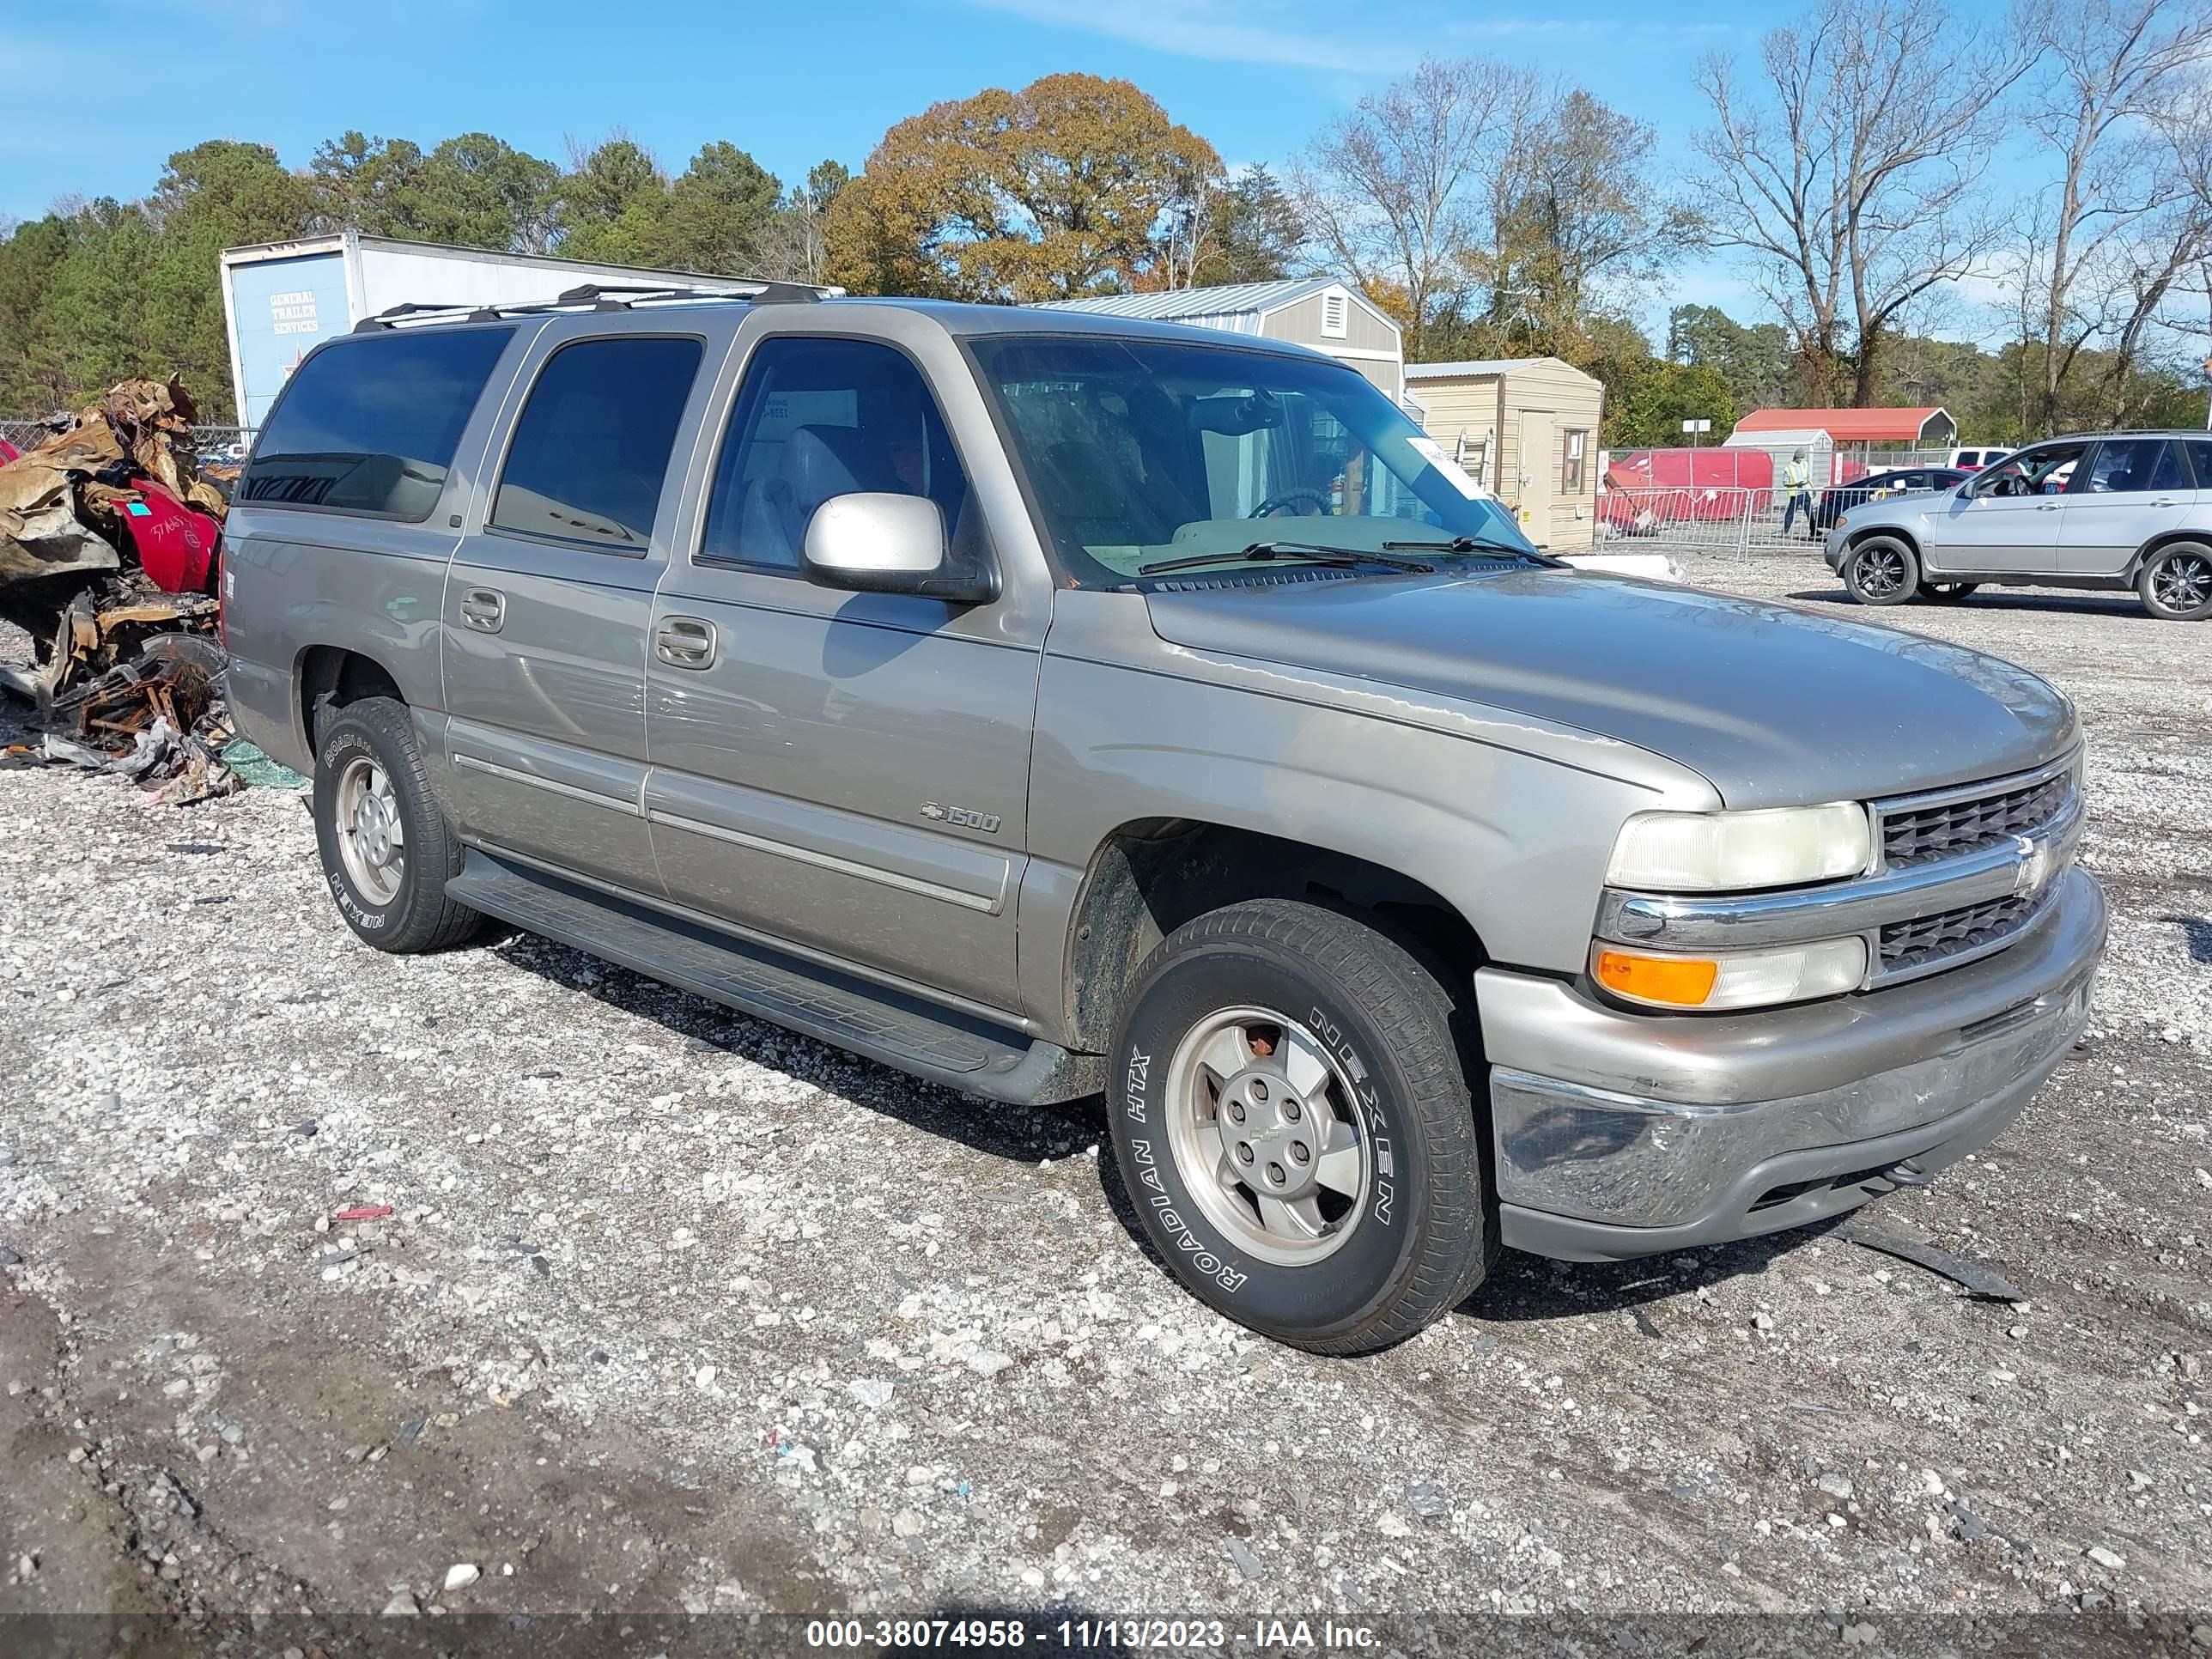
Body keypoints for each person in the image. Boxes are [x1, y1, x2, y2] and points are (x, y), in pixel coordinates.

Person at [1781, 450, 1814, 535]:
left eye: (1802, 458)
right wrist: (1796, 484)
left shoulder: (1804, 464)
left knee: (1810, 512)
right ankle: (1785, 530)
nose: (1801, 459)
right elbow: (1785, 482)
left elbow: (1808, 478)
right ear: (1796, 457)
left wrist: (1812, 489)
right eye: (1800, 457)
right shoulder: (1789, 468)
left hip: (1805, 491)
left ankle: (1814, 530)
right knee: (1791, 512)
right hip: (1796, 493)